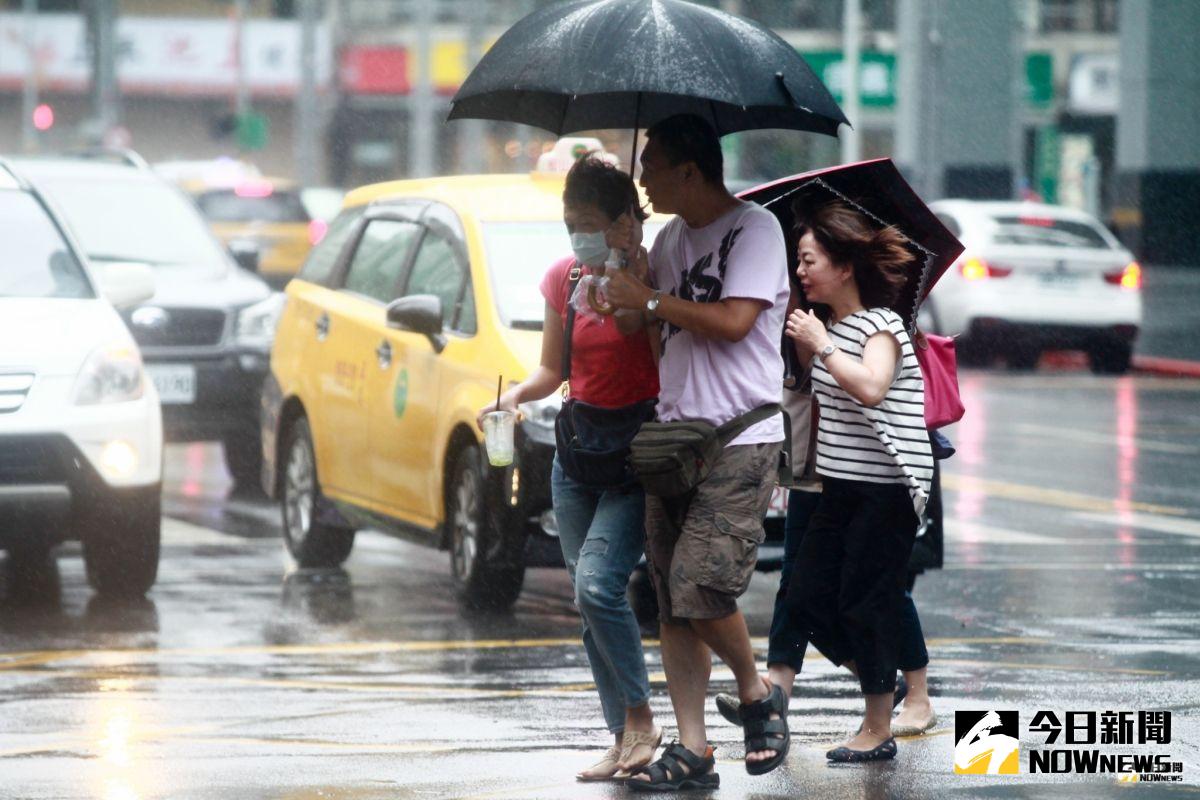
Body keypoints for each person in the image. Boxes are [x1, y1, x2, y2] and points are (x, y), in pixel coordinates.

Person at [605, 113, 792, 790]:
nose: (644, 177)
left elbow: (736, 320)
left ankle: (755, 692)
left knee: (701, 585)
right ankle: (694, 749)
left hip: (741, 435)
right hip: (674, 434)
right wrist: (625, 272)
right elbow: (638, 323)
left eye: (651, 164)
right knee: (669, 602)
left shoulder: (756, 229)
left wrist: (652, 298)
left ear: (690, 169)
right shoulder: (669, 237)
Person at [476, 155, 662, 782]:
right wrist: (512, 399)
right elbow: (552, 370)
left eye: (588, 221)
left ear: (624, 223)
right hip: (577, 451)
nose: (577, 234)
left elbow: (656, 344)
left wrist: (631, 296)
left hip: (637, 454)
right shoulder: (563, 278)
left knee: (598, 585)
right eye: (569, 222)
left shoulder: (654, 276)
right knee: (590, 604)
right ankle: (621, 737)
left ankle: (641, 719)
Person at [781, 197, 935, 763]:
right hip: (840, 489)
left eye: (809, 260)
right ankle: (883, 675)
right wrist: (811, 345)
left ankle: (877, 728)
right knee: (806, 598)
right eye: (798, 262)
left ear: (844, 266)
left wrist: (822, 346)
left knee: (866, 603)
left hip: (887, 490)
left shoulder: (881, 326)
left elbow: (871, 387)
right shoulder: (827, 327)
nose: (801, 272)